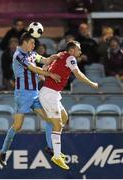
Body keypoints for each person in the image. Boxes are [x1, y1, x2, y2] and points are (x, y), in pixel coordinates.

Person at [0, 32, 62, 167]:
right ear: (25, 42)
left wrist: (54, 57)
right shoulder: (19, 55)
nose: (34, 45)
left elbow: (44, 60)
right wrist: (50, 74)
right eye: (32, 43)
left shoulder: (31, 53)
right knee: (17, 126)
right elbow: (34, 68)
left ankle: (50, 147)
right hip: (23, 95)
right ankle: (3, 151)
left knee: (50, 119)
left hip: (34, 93)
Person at [39, 40, 98, 170]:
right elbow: (78, 74)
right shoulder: (70, 58)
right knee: (57, 123)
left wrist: (48, 74)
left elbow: (43, 71)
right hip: (49, 94)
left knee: (64, 117)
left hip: (52, 93)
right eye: (78, 49)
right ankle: (57, 155)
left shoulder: (60, 56)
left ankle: (55, 149)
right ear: (71, 50)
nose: (80, 51)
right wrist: (92, 84)